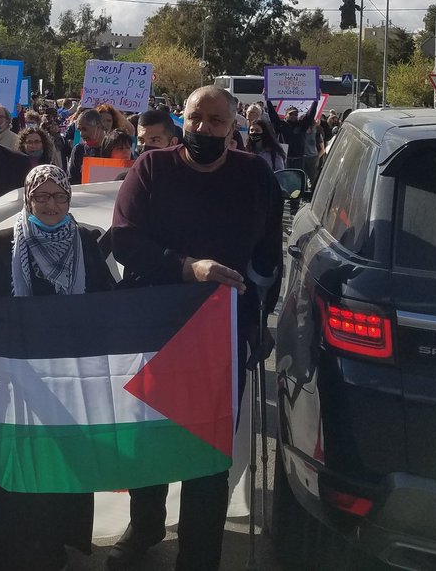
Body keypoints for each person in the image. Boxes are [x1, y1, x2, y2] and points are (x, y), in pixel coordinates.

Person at [109, 85, 283, 571]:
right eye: (195, 119)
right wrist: (189, 268)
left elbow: (269, 253)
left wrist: (258, 314)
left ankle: (199, 552)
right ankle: (144, 525)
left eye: (216, 121)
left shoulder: (254, 175)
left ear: (234, 127)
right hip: (155, 326)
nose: (204, 129)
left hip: (223, 333)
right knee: (150, 441)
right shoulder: (152, 169)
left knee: (207, 452)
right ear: (181, 119)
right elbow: (124, 240)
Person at [0, 165, 116, 571]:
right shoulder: (0, 245)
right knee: (11, 458)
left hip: (68, 380)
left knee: (59, 461)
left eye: (58, 196)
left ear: (69, 199)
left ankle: (52, 544)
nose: (50, 204)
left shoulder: (86, 242)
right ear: (27, 199)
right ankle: (6, 548)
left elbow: (109, 303)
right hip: (14, 382)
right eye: (41, 197)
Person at [267, 100, 317, 173]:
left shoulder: (302, 125)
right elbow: (272, 115)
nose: (293, 116)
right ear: (285, 115)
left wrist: (315, 101)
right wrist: (268, 101)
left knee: (298, 180)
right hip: (285, 159)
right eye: (291, 114)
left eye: (295, 114)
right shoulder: (280, 125)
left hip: (299, 159)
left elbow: (310, 115)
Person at [65, 109, 105, 185]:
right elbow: (72, 181)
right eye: (79, 130)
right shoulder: (78, 150)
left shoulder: (114, 148)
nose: (81, 134)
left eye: (85, 129)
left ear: (99, 127)